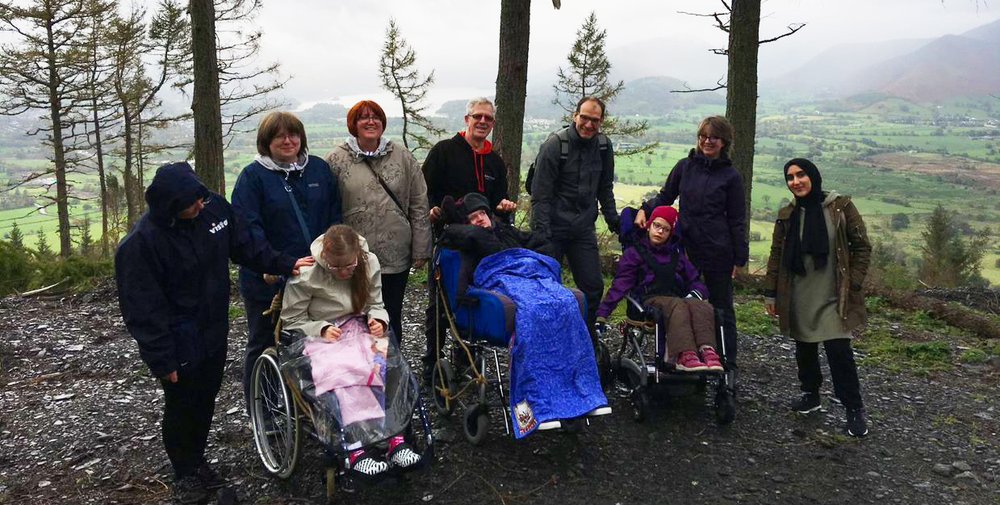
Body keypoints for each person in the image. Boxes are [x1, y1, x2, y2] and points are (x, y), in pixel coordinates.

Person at [115, 162, 312, 504]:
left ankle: (198, 459)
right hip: (177, 337)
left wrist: (284, 263)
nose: (201, 205)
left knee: (206, 396)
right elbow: (142, 310)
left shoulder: (213, 210)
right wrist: (162, 359)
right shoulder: (141, 244)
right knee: (181, 404)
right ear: (172, 207)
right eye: (192, 203)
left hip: (213, 326)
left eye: (201, 197)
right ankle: (185, 471)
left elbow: (247, 246)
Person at [437, 194, 609, 437]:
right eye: (472, 218)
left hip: (530, 275)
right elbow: (453, 238)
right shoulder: (465, 239)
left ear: (489, 214)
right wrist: (468, 231)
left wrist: (538, 257)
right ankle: (533, 407)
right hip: (500, 280)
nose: (479, 220)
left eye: (482, 215)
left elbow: (538, 243)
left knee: (566, 303)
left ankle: (582, 395)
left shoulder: (506, 232)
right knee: (531, 313)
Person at [281, 225, 422, 476]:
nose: (344, 272)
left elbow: (376, 303)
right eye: (337, 268)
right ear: (325, 258)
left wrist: (378, 319)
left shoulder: (369, 264)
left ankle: (394, 440)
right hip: (323, 335)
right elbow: (292, 320)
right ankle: (355, 448)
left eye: (349, 266)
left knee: (388, 366)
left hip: (359, 326)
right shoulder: (307, 273)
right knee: (345, 372)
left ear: (357, 256)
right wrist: (321, 328)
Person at [231, 111, 342, 413]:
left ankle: (312, 406)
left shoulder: (318, 169)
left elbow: (335, 217)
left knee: (315, 337)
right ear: (266, 142)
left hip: (317, 276)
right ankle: (264, 411)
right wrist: (281, 264)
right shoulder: (252, 178)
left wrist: (332, 256)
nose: (288, 141)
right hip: (268, 280)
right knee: (265, 342)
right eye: (279, 136)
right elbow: (248, 231)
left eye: (293, 134)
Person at [764, 158, 872, 437]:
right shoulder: (788, 214)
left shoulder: (840, 207)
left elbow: (862, 247)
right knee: (805, 349)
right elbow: (776, 256)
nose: (796, 181)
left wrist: (855, 282)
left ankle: (853, 408)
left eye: (801, 175)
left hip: (834, 295)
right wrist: (770, 294)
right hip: (798, 292)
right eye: (790, 177)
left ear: (813, 176)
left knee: (839, 351)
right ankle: (811, 395)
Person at [634, 115, 747, 365]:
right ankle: (684, 357)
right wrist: (644, 208)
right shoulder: (685, 167)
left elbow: (738, 219)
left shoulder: (731, 177)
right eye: (703, 136)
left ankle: (727, 366)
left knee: (721, 309)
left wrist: (740, 258)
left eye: (713, 137)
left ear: (724, 142)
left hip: (719, 251)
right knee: (685, 304)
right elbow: (665, 196)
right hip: (686, 250)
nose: (707, 141)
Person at [422, 97, 517, 376]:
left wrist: (503, 205)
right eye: (478, 116)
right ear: (467, 119)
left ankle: (467, 354)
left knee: (476, 296)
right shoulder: (444, 151)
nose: (483, 122)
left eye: (488, 118)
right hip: (449, 240)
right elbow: (424, 191)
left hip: (484, 244)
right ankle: (432, 361)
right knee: (440, 301)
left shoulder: (495, 162)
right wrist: (431, 208)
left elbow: (499, 197)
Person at [325, 100, 432, 344]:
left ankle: (392, 371)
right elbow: (326, 207)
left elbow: (418, 201)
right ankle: (358, 372)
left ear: (383, 123)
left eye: (376, 117)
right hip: (352, 257)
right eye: (363, 117)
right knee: (353, 315)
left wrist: (421, 247)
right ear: (354, 124)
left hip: (395, 254)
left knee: (391, 314)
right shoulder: (336, 159)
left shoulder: (401, 155)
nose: (370, 121)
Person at [530, 96, 620, 332]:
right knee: (547, 289)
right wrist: (542, 236)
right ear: (575, 116)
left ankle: (585, 338)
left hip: (582, 230)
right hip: (552, 229)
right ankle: (547, 338)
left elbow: (605, 188)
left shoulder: (603, 146)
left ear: (601, 122)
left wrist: (616, 223)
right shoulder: (555, 145)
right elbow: (540, 195)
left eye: (595, 120)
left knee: (593, 287)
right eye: (585, 118)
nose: (589, 125)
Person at [596, 206, 723, 372]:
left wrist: (696, 293)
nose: (660, 232)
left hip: (677, 300)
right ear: (649, 225)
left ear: (671, 233)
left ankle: (707, 351)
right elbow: (620, 285)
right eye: (657, 226)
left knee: (702, 306)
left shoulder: (677, 255)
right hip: (647, 302)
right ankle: (684, 354)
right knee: (677, 305)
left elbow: (696, 281)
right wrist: (602, 315)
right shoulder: (635, 253)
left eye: (666, 229)